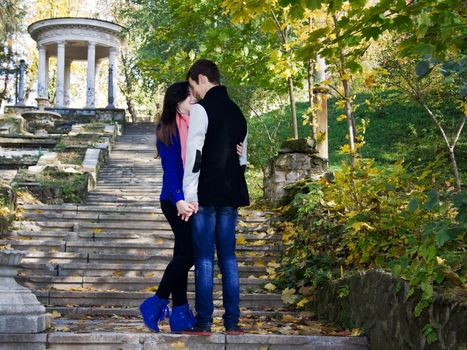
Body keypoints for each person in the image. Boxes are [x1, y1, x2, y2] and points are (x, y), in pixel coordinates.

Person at [182, 59, 249, 336]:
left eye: (192, 86)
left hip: (206, 194)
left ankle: (204, 323)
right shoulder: (238, 113)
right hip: (231, 193)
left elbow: (194, 155)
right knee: (229, 258)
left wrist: (189, 193)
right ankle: (232, 323)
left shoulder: (201, 111)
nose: (193, 92)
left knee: (205, 258)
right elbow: (242, 157)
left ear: (201, 78)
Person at [140, 81, 197, 333]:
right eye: (190, 96)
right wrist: (179, 200)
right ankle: (156, 302)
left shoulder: (197, 123)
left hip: (193, 199)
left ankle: (180, 313)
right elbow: (171, 167)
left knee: (182, 254)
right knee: (190, 255)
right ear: (178, 101)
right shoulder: (167, 127)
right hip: (174, 201)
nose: (194, 99)